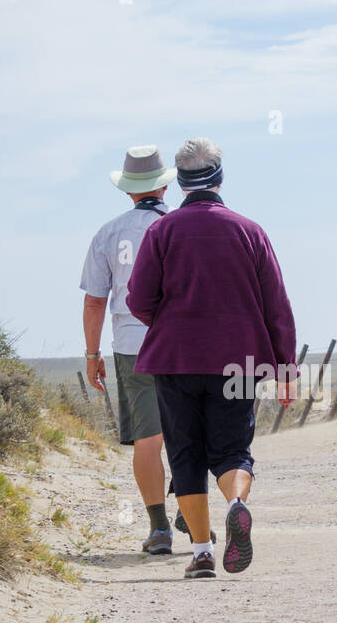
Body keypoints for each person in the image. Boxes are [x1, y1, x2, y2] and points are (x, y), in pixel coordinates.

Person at [126, 137, 298, 579]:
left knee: (185, 454)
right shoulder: (249, 231)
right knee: (232, 451)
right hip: (239, 361)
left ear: (179, 181)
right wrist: (286, 372)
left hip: (176, 358)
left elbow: (139, 300)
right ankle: (237, 503)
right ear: (219, 177)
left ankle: (202, 553)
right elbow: (275, 305)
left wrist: (168, 319)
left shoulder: (161, 232)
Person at [80, 144, 177, 555]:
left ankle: (159, 529)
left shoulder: (108, 233)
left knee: (148, 439)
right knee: (190, 430)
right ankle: (193, 504)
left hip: (132, 345)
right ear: (164, 185)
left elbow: (95, 301)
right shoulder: (180, 227)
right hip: (182, 344)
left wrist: (91, 354)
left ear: (127, 190)